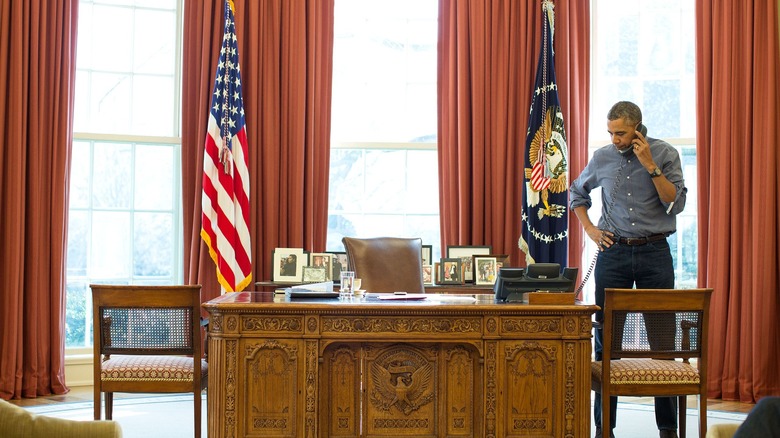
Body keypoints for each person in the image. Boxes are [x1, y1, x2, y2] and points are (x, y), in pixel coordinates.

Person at [569, 101, 687, 438]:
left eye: (620, 133)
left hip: (654, 253)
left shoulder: (664, 154)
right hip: (614, 253)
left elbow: (675, 203)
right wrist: (591, 230)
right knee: (606, 341)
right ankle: (605, 427)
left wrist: (650, 165)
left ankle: (667, 428)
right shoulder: (603, 157)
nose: (615, 139)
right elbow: (577, 192)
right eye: (611, 132)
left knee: (663, 342)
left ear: (637, 128)